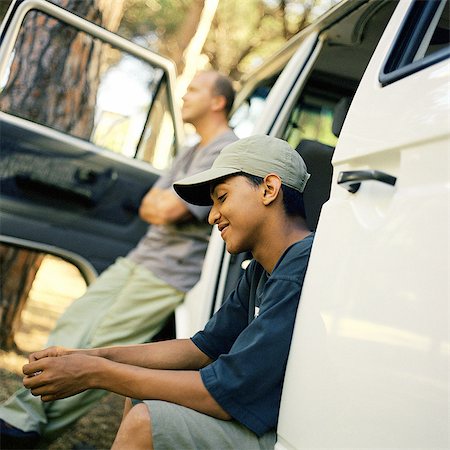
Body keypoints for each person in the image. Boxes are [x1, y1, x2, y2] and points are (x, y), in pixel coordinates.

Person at [18, 135, 314, 450]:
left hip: (290, 436)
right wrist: (87, 355)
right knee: (144, 390)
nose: (213, 216)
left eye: (222, 197)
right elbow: (201, 348)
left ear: (269, 189)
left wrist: (94, 373)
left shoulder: (299, 270)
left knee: (147, 422)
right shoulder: (260, 269)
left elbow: (221, 394)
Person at [0, 70, 237, 447]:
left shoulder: (224, 150)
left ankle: (25, 434)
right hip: (139, 258)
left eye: (194, 89)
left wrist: (166, 204)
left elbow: (172, 211)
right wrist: (165, 204)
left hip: (168, 272)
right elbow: (150, 206)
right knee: (73, 325)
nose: (184, 95)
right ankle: (21, 416)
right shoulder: (191, 150)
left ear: (217, 101)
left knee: (104, 350)